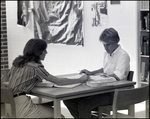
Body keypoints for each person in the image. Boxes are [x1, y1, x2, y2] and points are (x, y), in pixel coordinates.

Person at [7, 38, 88, 118]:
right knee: (59, 116)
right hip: (22, 107)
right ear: (38, 52)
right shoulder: (36, 68)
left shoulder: (17, 63)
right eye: (44, 50)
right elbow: (59, 81)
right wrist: (80, 79)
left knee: (51, 110)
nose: (46, 52)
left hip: (8, 105)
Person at [63, 27, 130, 118]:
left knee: (84, 105)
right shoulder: (107, 53)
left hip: (114, 93)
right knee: (68, 100)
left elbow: (117, 76)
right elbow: (106, 69)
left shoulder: (123, 55)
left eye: (108, 45)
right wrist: (91, 73)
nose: (105, 48)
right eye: (104, 45)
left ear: (116, 42)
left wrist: (98, 78)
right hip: (103, 90)